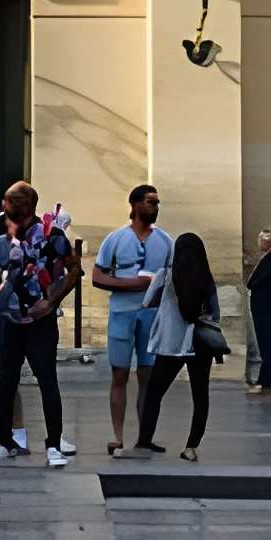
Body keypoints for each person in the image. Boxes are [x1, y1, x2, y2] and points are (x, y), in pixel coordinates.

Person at [0, 182, 75, 470]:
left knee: (47, 381)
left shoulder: (52, 236)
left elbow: (73, 271)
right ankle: (4, 442)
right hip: (9, 320)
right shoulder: (3, 239)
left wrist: (52, 301)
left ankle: (54, 445)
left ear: (28, 206)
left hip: (39, 320)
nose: (6, 209)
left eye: (11, 204)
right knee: (6, 381)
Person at [133, 229, 224, 461]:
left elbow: (146, 303)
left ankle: (144, 440)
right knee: (200, 396)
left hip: (171, 345)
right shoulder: (206, 279)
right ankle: (191, 447)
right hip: (200, 345)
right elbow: (215, 314)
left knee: (154, 393)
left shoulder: (165, 276)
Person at [92, 184, 170, 455]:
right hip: (122, 312)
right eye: (150, 202)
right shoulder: (115, 239)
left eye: (157, 203)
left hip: (152, 315)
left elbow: (174, 278)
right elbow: (97, 276)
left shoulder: (165, 241)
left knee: (148, 375)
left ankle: (145, 436)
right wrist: (132, 285)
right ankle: (118, 435)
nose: (155, 207)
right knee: (120, 373)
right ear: (135, 204)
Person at [244, 231, 271, 396]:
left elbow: (255, 282)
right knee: (268, 345)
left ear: (269, 242)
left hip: (267, 311)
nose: (259, 242)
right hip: (265, 311)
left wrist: (253, 283)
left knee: (269, 345)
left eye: (261, 239)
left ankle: (269, 379)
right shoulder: (270, 259)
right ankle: (269, 378)